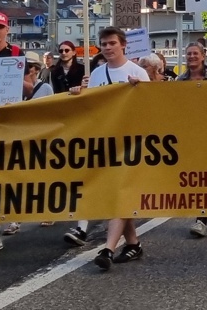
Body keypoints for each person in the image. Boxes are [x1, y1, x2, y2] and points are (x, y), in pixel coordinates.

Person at [66, 28, 150, 269]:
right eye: (103, 44)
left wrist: (139, 91)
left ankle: (108, 248)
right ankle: (133, 243)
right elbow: (93, 108)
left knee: (120, 195)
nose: (107, 47)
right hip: (107, 142)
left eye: (112, 43)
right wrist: (77, 95)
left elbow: (153, 106)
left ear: (123, 45)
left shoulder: (137, 72)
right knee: (115, 194)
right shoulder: (97, 74)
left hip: (132, 142)